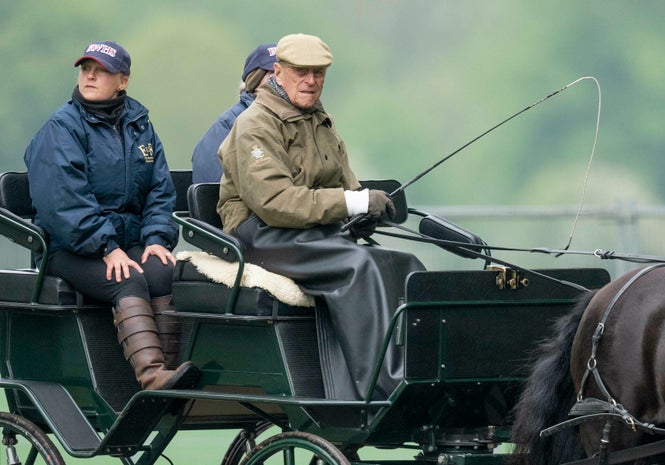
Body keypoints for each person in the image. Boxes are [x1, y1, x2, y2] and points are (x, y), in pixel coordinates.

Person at [217, 33, 425, 400]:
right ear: (278, 73)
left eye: (319, 73)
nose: (311, 81)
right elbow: (276, 202)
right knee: (357, 265)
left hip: (312, 231)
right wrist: (353, 204)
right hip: (261, 234)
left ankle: (419, 371)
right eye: (301, 71)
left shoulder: (319, 121)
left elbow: (346, 185)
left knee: (403, 263)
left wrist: (364, 212)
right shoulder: (255, 125)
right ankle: (382, 387)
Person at [23, 40, 199, 391]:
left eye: (100, 70)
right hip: (68, 248)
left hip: (124, 242)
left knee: (163, 272)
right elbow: (64, 203)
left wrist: (156, 239)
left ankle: (175, 374)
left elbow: (160, 189)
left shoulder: (139, 124)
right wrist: (106, 246)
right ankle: (152, 376)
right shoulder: (61, 128)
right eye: (86, 68)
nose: (90, 75)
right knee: (128, 280)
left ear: (123, 81)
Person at [192, 43, 277, 183]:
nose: (281, 80)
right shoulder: (228, 125)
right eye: (273, 74)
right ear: (255, 82)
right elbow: (211, 189)